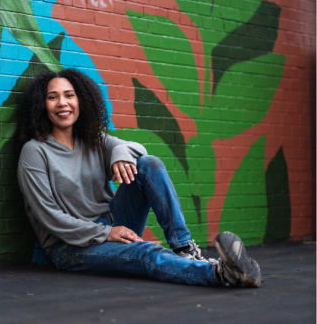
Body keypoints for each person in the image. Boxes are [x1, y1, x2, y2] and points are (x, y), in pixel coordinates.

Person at [16, 69, 261, 287]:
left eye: (69, 95)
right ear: (42, 105)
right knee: (144, 253)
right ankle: (219, 274)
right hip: (69, 246)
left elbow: (136, 148)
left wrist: (119, 156)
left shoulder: (92, 140)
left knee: (148, 164)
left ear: (80, 100)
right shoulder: (35, 151)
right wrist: (105, 234)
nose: (62, 103)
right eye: (52, 97)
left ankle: (184, 249)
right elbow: (49, 217)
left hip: (112, 222)